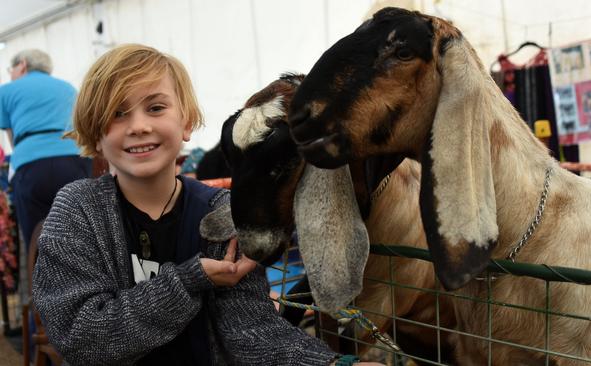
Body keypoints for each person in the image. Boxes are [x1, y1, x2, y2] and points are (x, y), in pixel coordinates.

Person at [32, 44, 382, 366]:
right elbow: (82, 338)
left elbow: (252, 333)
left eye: (155, 108)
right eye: (118, 114)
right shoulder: (77, 211)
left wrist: (332, 364)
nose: (139, 126)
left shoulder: (220, 211)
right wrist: (189, 281)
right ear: (95, 134)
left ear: (185, 122)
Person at [0, 49, 91, 248]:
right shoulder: (68, 88)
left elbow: (10, 134)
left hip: (31, 162)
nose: (10, 74)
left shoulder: (6, 90)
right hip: (73, 158)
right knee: (78, 227)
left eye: (11, 69)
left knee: (36, 234)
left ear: (22, 64)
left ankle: (41, 276)